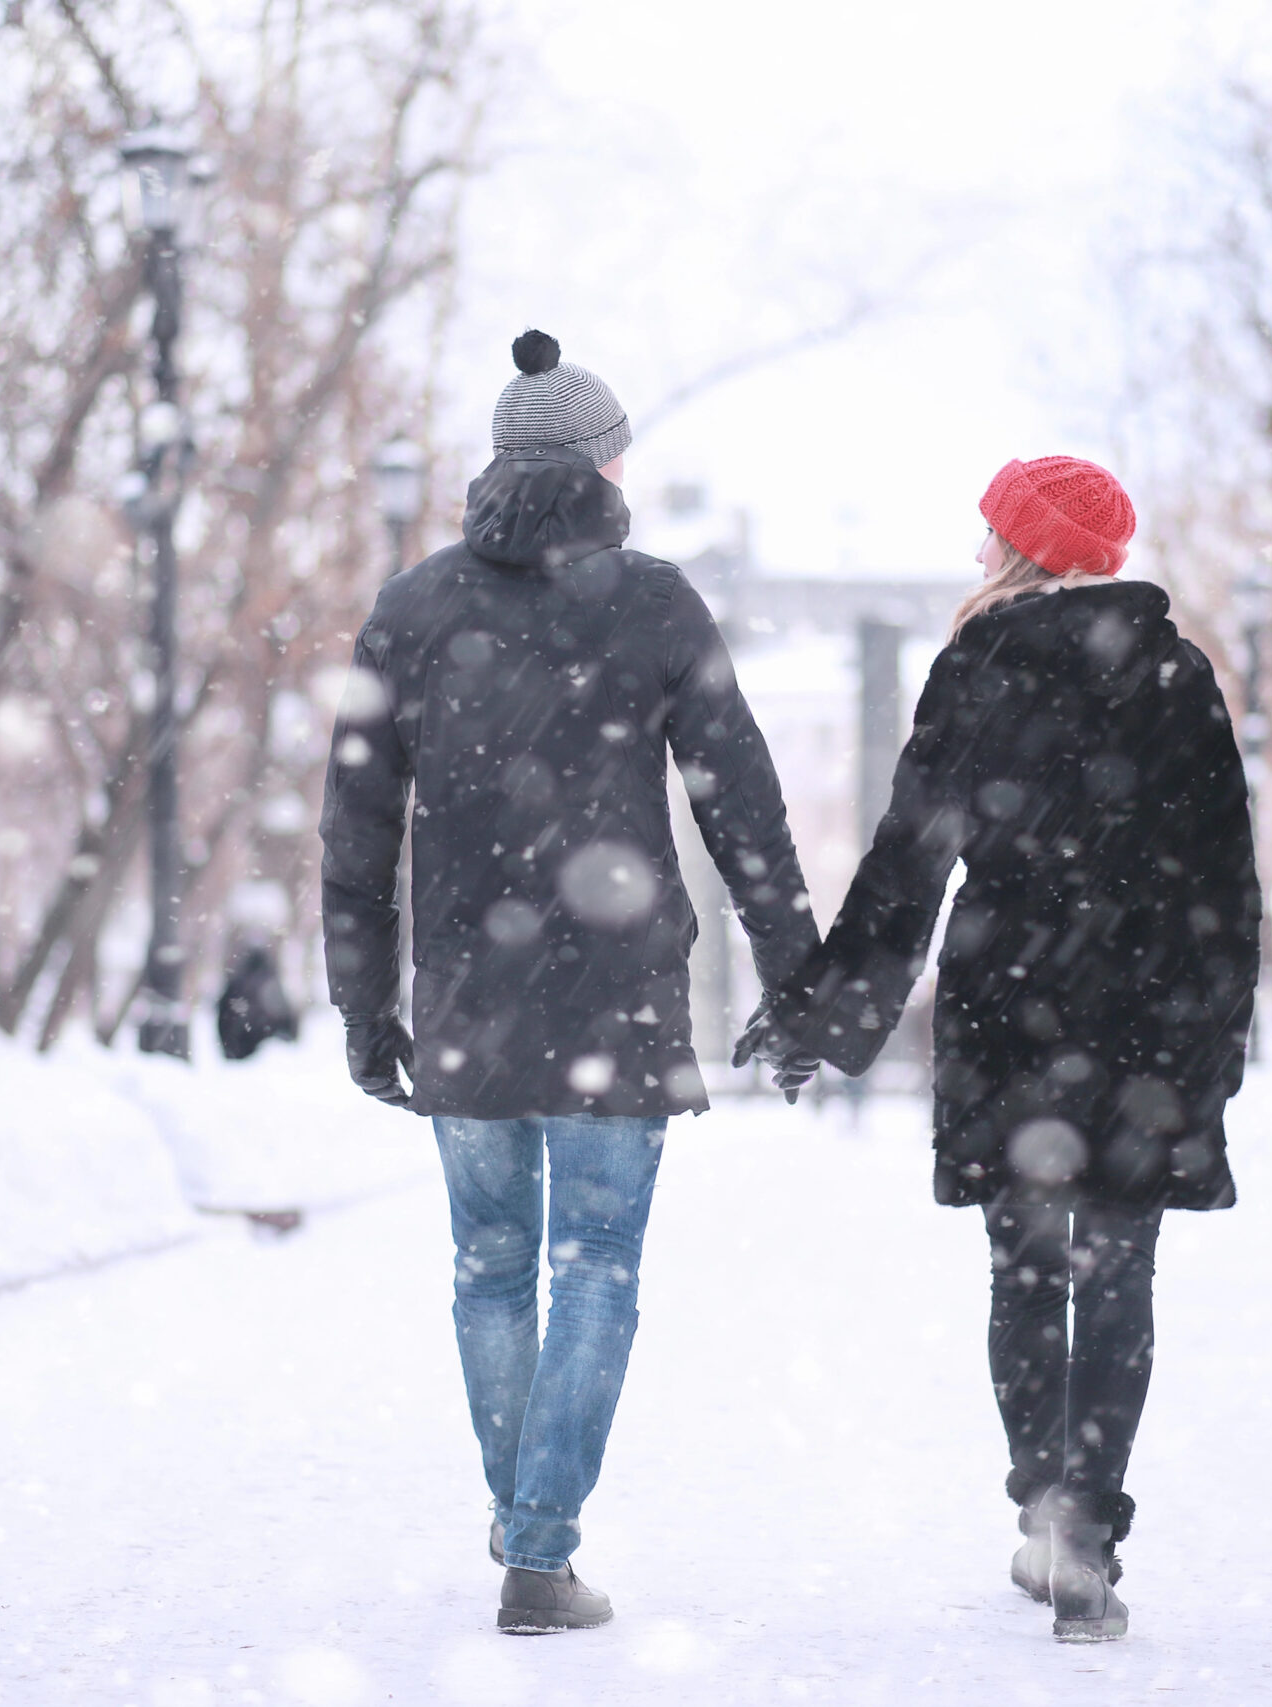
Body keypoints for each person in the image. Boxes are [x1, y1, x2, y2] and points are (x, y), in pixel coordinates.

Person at [320, 330, 821, 1635]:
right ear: (604, 465)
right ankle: (539, 1545)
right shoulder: (652, 601)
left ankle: (523, 1514)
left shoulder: (416, 606)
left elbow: (356, 828)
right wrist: (794, 967)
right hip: (618, 993)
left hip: (468, 1000)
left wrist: (365, 1004)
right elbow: (741, 801)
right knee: (595, 1263)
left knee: (489, 1263)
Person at [739, 455, 1259, 1642]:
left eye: (990, 533)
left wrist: (825, 1008)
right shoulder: (1178, 675)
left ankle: (1044, 1511)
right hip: (1148, 1025)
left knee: (1027, 1275)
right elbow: (1227, 882)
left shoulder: (981, 668)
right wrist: (1211, 1042)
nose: (977, 553)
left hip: (1017, 1015)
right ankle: (1086, 1532)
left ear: (1026, 548)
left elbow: (908, 864)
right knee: (1118, 1277)